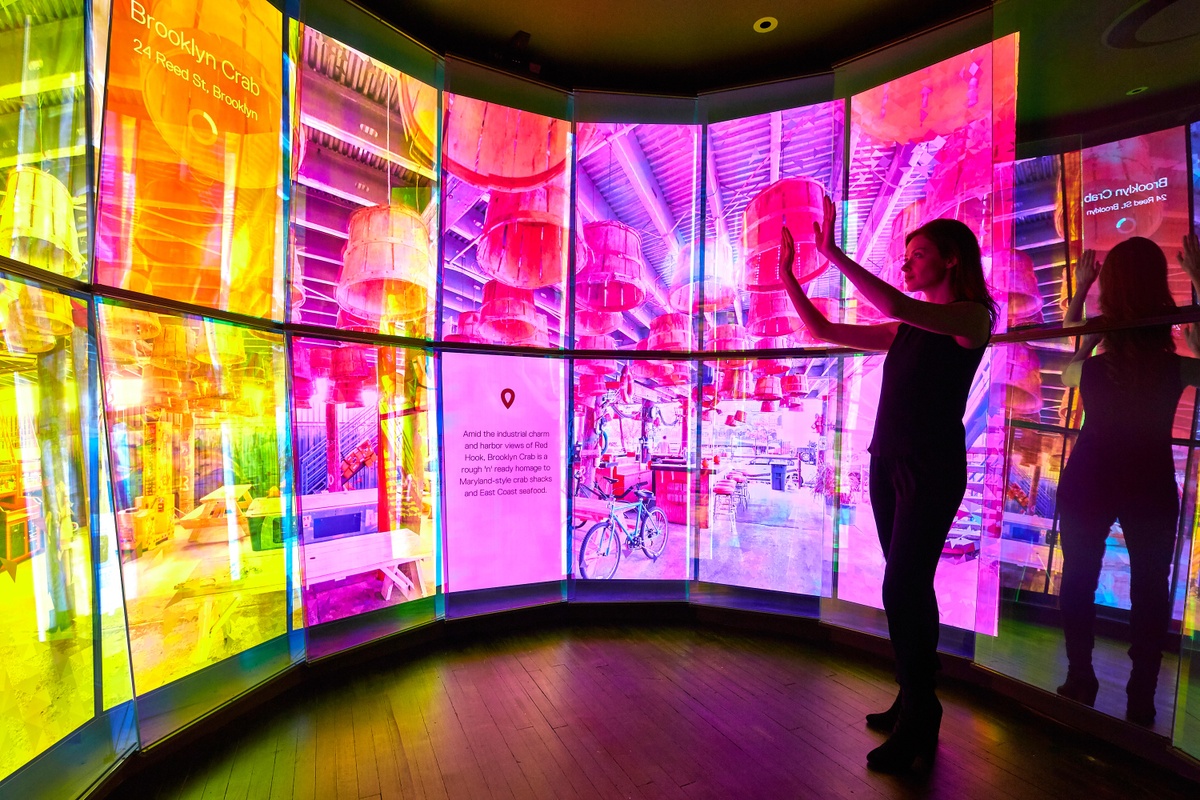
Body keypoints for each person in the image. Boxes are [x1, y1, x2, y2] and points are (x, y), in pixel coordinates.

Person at [780, 197, 996, 773]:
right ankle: (914, 694)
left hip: (931, 469)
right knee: (909, 586)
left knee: (902, 587)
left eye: (917, 254)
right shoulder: (907, 329)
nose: (906, 263)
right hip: (887, 463)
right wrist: (789, 278)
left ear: (952, 261)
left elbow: (899, 301)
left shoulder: (973, 318)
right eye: (905, 255)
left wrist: (833, 253)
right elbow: (823, 328)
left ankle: (922, 712)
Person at [1055, 234, 1200, 725]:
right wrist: (1198, 280)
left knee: (1077, 578)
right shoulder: (1172, 366)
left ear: (1108, 288)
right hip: (1150, 479)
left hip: (1090, 473)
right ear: (1159, 284)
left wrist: (1085, 302)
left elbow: (1068, 367)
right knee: (1151, 589)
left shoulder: (1093, 369)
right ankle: (1141, 695)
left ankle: (1080, 677)